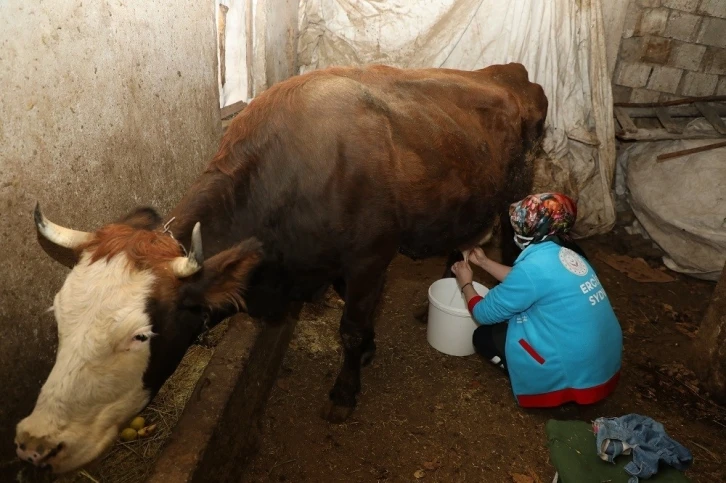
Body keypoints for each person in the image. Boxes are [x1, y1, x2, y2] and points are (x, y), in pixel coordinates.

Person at [451, 192, 623, 408]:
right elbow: (526, 280)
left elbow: (483, 313)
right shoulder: (567, 255)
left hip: (576, 376)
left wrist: (465, 282)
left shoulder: (533, 270)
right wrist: (484, 263)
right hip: (601, 366)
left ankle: (540, 384)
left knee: (484, 337)